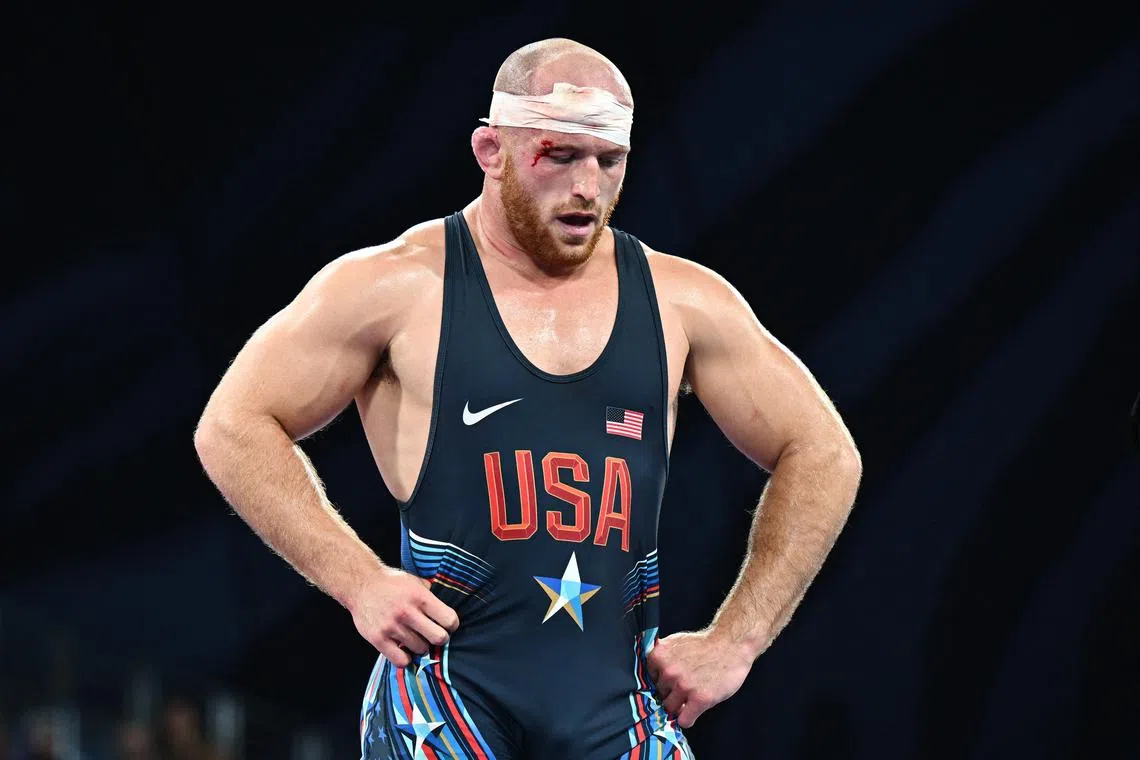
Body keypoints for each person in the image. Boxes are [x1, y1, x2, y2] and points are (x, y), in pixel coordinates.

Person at [194, 37, 861, 760]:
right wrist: (358, 581)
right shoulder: (395, 287)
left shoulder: (681, 301)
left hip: (617, 713)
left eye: (610, 161)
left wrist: (738, 640)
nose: (587, 188)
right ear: (491, 149)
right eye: (560, 155)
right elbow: (232, 424)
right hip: (446, 705)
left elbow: (824, 452)